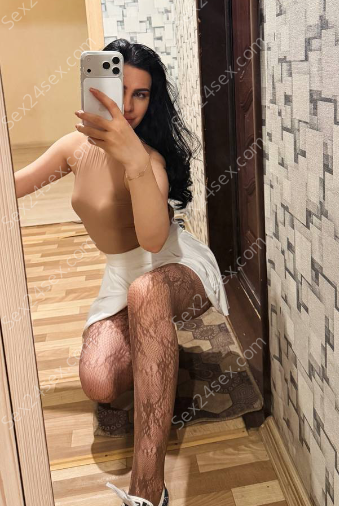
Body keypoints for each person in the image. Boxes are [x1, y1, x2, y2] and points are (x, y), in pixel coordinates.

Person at [14, 39, 230, 506]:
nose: (128, 106)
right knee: (100, 382)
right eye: (120, 89)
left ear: (154, 101)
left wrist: (133, 159)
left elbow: (152, 241)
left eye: (141, 94)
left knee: (147, 291)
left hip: (173, 266)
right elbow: (15, 186)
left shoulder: (150, 160)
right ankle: (157, 350)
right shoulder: (74, 149)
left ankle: (148, 488)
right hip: (121, 277)